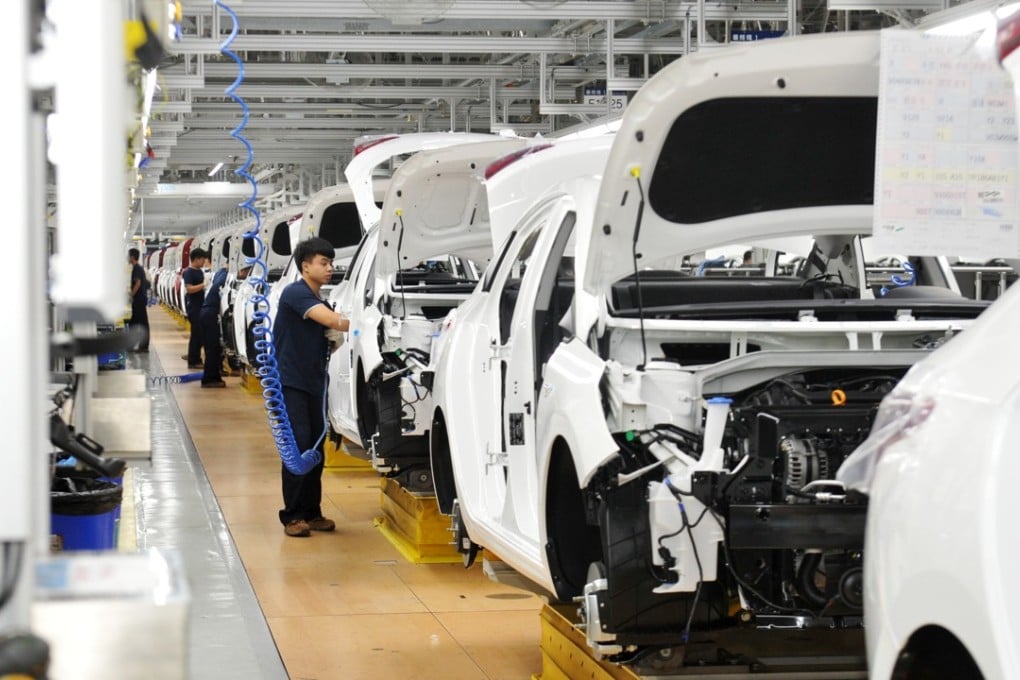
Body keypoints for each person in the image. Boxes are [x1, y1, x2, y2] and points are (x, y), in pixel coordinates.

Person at [273, 237, 348, 538]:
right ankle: (292, 516)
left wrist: (334, 338)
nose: (330, 268)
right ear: (305, 266)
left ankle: (312, 512)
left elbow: (327, 329)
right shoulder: (296, 293)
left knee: (316, 450)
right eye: (323, 263)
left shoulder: (320, 300)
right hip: (291, 382)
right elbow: (332, 320)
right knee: (298, 447)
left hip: (314, 383)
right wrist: (361, 323)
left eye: (331, 263)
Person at [199, 263, 229, 388]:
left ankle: (215, 375)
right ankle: (209, 379)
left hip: (206, 312)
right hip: (211, 313)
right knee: (212, 348)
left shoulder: (220, 272)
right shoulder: (226, 276)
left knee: (212, 347)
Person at [181, 248, 208, 369]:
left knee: (200, 334)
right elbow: (189, 289)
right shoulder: (188, 272)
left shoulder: (199, 271)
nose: (204, 262)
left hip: (200, 307)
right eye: (202, 259)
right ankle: (193, 361)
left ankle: (196, 358)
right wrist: (203, 285)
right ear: (196, 259)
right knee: (196, 335)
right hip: (194, 307)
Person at [127, 248, 149, 352]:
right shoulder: (137, 268)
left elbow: (138, 283)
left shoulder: (137, 268)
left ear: (132, 257)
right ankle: (131, 344)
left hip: (139, 300)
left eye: (128, 256)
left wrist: (131, 295)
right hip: (139, 299)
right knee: (134, 323)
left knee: (142, 323)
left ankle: (143, 346)